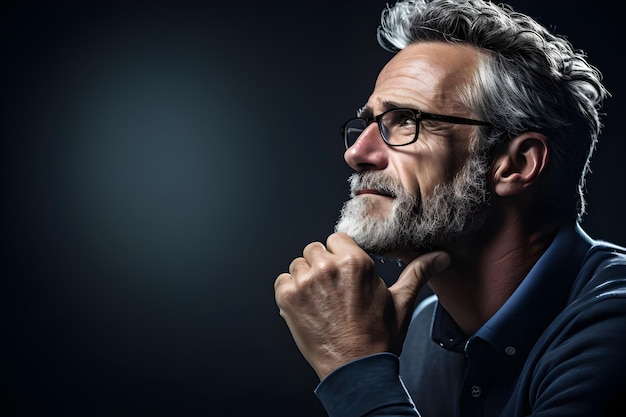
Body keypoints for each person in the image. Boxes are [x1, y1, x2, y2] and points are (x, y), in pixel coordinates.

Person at [274, 0, 626, 416]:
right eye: (368, 123)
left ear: (516, 164)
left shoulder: (613, 328)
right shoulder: (420, 330)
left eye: (406, 120)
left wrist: (354, 367)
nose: (357, 153)